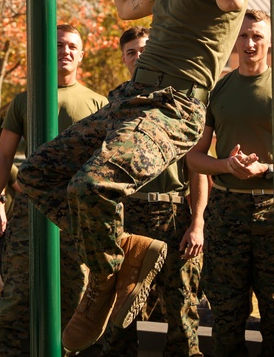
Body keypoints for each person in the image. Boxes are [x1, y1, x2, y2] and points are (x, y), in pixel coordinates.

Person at [17, 0, 249, 352]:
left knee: (91, 185)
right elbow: (126, 5)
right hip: (131, 98)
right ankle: (124, 250)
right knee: (37, 175)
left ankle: (103, 280)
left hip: (173, 105)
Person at [0, 24, 108, 357]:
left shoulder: (98, 103)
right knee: (16, 301)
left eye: (71, 46)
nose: (64, 51)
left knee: (73, 303)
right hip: (29, 213)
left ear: (81, 54)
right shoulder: (25, 100)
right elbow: (3, 155)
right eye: (58, 45)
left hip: (75, 217)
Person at [102, 26, 206, 357]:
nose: (139, 56)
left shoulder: (179, 100)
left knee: (181, 309)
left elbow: (197, 168)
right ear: (123, 59)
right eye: (131, 52)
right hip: (127, 214)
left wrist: (197, 223)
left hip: (173, 215)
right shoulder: (116, 102)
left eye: (145, 50)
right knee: (121, 308)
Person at [185, 9, 274, 356]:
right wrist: (226, 165)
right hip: (226, 213)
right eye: (244, 36)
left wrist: (264, 170)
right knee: (225, 315)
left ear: (269, 41)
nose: (250, 43)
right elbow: (194, 157)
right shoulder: (217, 89)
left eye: (257, 36)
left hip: (273, 212)